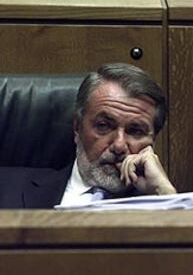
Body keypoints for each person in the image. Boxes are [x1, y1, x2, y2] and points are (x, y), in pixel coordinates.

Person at [0, 63, 176, 208]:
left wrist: (164, 194)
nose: (119, 146)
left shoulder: (162, 206)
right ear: (77, 128)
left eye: (135, 131)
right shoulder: (7, 187)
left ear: (153, 140)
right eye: (104, 126)